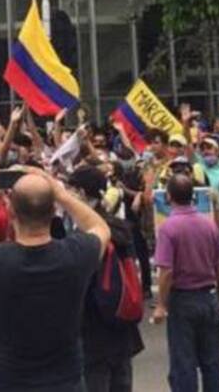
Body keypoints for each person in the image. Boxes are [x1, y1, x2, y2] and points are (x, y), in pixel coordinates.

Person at [0, 160, 110, 392]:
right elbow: (101, 228)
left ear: (11, 211)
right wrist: (61, 194)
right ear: (53, 212)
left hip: (11, 383)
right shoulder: (75, 254)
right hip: (65, 382)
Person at [67, 166, 144, 392]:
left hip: (92, 330)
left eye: (70, 190)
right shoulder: (120, 228)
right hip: (122, 322)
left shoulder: (84, 236)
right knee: (121, 381)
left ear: (81, 193)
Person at [152, 173, 219, 392]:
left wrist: (161, 304)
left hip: (182, 300)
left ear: (169, 196)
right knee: (212, 362)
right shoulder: (209, 226)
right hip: (208, 297)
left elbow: (166, 271)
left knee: (184, 364)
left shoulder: (168, 228)